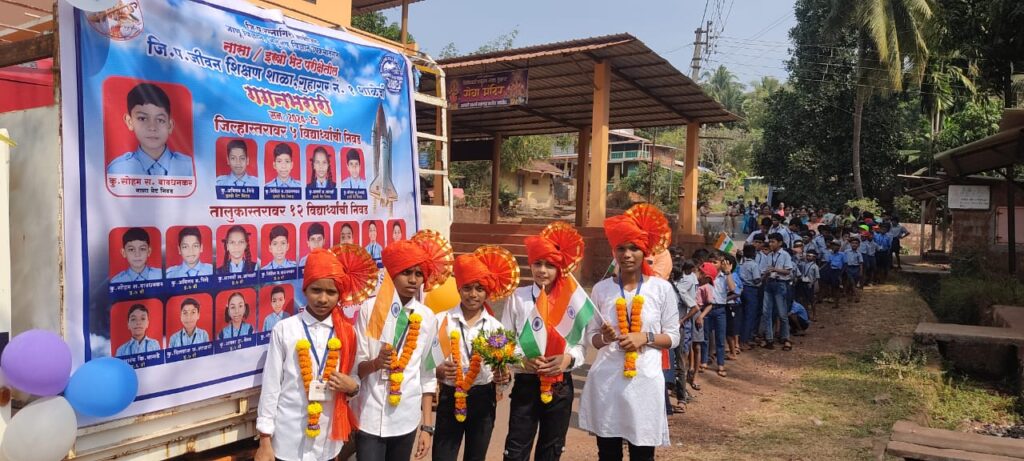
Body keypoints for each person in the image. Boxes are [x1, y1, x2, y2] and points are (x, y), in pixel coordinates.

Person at [578, 205, 680, 461]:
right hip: (607, 380)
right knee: (608, 452)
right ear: (614, 252)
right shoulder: (601, 289)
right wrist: (605, 338)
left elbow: (673, 337)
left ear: (644, 251)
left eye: (634, 248)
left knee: (642, 452)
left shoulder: (661, 289)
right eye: (621, 248)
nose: (627, 254)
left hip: (645, 379)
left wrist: (644, 337)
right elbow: (592, 338)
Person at [255, 248, 366, 461]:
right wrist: (264, 439)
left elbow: (354, 377)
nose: (323, 299)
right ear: (305, 290)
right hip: (288, 440)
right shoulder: (285, 329)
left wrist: (353, 387)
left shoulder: (347, 332)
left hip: (327, 440)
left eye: (331, 292)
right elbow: (271, 387)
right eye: (316, 290)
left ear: (339, 295)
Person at [353, 231, 449, 461]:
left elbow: (427, 376)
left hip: (406, 418)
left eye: (418, 274)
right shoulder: (370, 309)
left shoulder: (427, 317)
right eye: (406, 272)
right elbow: (357, 368)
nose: (413, 280)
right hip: (369, 416)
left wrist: (427, 428)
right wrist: (376, 363)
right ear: (392, 273)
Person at [500, 223, 587, 461]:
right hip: (527, 383)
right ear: (530, 264)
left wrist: (567, 359)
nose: (543, 270)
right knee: (516, 449)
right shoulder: (518, 297)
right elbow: (505, 340)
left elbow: (580, 347)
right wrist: (521, 360)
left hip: (560, 384)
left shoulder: (572, 299)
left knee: (551, 450)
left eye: (550, 265)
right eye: (538, 263)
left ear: (560, 268)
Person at [432, 250, 514, 461]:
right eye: (467, 288)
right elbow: (426, 362)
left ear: (487, 292)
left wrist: (504, 377)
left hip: (483, 398)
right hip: (451, 396)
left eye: (480, 289)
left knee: (476, 456)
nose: (473, 294)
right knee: (442, 456)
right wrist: (438, 371)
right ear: (459, 289)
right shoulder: (442, 320)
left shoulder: (495, 327)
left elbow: (502, 367)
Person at [106, 83, 194, 176]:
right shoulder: (117, 169)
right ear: (129, 121)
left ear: (170, 125)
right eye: (142, 118)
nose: (152, 128)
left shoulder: (190, 167)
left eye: (160, 120)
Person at [760, 233, 794, 351]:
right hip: (769, 283)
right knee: (766, 312)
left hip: (780, 284)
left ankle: (786, 338)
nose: (770, 244)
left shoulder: (785, 255)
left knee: (782, 313)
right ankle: (769, 338)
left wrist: (775, 269)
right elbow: (767, 270)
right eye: (770, 241)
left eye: (773, 241)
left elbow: (788, 271)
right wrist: (763, 277)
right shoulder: (769, 255)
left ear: (779, 243)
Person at [738, 245, 762, 349]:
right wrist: (764, 276)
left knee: (743, 315)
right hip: (751, 289)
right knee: (749, 316)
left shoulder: (742, 264)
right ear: (754, 254)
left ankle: (741, 339)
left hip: (743, 289)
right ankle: (744, 341)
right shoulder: (754, 265)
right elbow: (756, 279)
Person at [797, 251, 820, 321]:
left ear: (814, 258)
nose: (809, 257)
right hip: (803, 283)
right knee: (804, 300)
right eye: (808, 256)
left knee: (812, 301)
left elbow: (817, 277)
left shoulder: (815, 266)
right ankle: (806, 315)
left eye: (811, 256)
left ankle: (814, 315)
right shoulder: (804, 264)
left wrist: (812, 283)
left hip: (810, 284)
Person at [844, 238, 863, 303]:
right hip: (848, 268)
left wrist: (860, 271)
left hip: (856, 269)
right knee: (852, 283)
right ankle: (857, 296)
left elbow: (860, 263)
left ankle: (850, 296)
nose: (854, 244)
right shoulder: (846, 251)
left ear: (858, 245)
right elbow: (844, 260)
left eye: (856, 243)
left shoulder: (859, 253)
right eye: (853, 243)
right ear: (850, 244)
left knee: (853, 283)